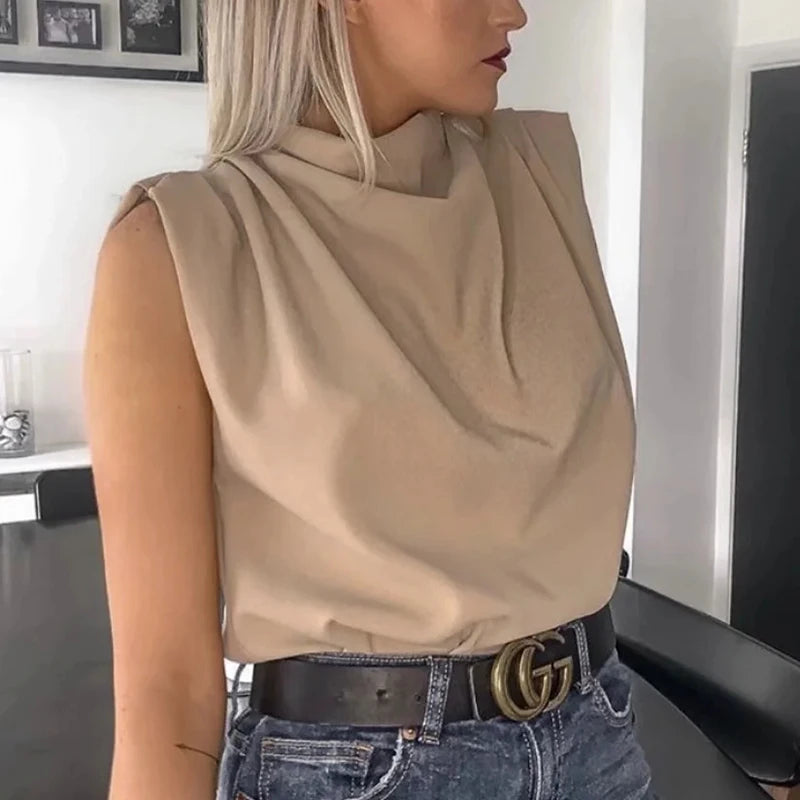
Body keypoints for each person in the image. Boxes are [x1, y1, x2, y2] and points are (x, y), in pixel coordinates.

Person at [83, 1, 653, 799]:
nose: (515, 12)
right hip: (360, 774)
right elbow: (167, 696)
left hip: (598, 739)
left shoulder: (538, 173)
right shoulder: (180, 247)